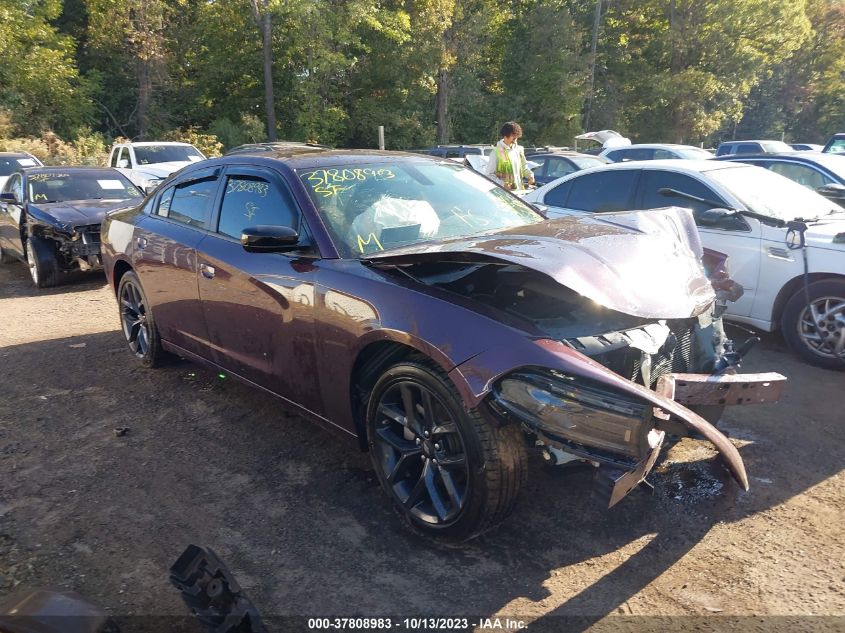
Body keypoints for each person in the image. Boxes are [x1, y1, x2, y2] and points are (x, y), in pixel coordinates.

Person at [485, 121, 535, 190]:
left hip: (519, 193)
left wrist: (530, 175)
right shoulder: (496, 153)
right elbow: (489, 175)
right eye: (513, 138)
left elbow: (524, 167)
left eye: (516, 138)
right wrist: (502, 184)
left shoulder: (519, 150)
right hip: (504, 195)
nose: (515, 141)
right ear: (505, 136)